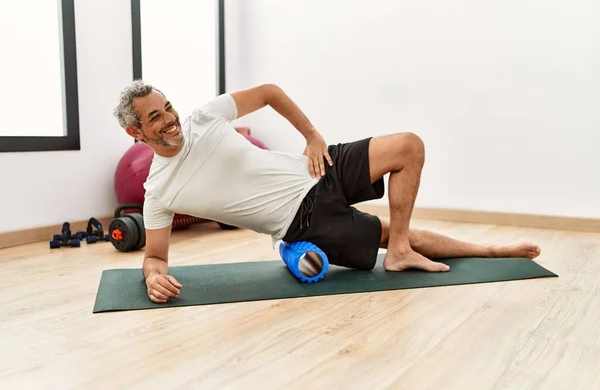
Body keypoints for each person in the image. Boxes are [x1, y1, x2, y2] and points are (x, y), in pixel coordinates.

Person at [113, 80, 541, 303]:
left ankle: (400, 251)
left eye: (168, 106)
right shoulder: (159, 192)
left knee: (409, 145)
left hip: (317, 169)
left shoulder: (203, 117)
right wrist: (154, 278)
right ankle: (490, 250)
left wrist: (313, 136)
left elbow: (268, 92)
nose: (170, 119)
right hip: (304, 222)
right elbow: (155, 257)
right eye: (155, 117)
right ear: (136, 132)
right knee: (386, 229)